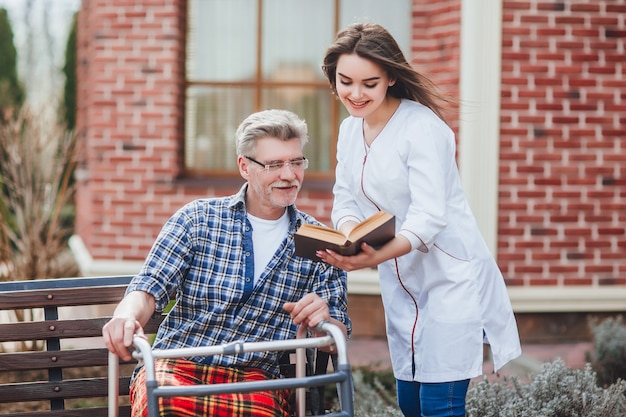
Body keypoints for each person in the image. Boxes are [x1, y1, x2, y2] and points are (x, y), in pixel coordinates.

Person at [319, 22, 521, 417]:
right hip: (400, 280)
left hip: (450, 279)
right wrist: (349, 235)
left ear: (391, 77)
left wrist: (371, 259)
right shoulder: (349, 130)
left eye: (369, 84)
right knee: (410, 402)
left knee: (438, 406)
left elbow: (429, 217)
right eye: (345, 81)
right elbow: (344, 197)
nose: (355, 95)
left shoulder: (424, 129)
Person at [102, 109, 351, 417]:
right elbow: (149, 287)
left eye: (296, 162)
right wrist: (126, 317)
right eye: (274, 164)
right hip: (177, 366)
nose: (289, 175)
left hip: (256, 378)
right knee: (166, 405)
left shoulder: (320, 242)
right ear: (245, 167)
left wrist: (322, 321)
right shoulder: (197, 219)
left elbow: (336, 339)